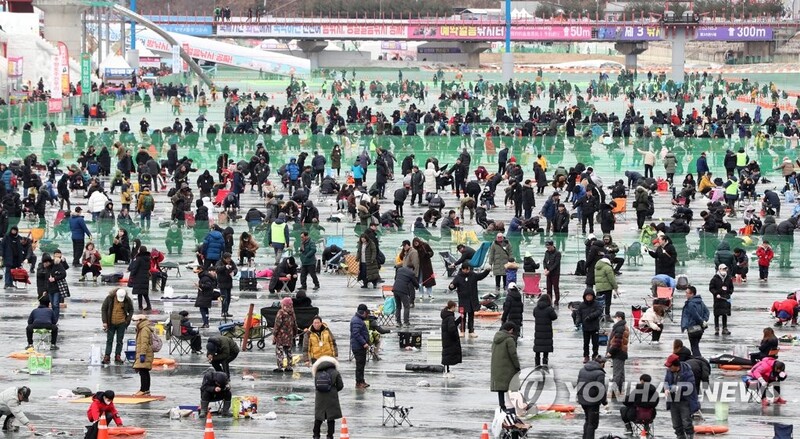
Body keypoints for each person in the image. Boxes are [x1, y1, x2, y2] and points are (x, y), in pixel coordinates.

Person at [448, 264, 492, 337]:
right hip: (463, 300)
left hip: (472, 299)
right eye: (465, 269)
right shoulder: (458, 277)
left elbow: (481, 276)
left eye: (468, 269)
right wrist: (451, 286)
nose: (467, 271)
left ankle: (471, 331)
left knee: (471, 316)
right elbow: (452, 285)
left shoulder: (473, 275)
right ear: (462, 269)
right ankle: (462, 331)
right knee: (463, 316)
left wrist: (487, 271)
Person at [663, 354, 699, 439]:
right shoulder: (669, 371)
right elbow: (666, 381)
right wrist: (666, 388)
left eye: (670, 366)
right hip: (673, 400)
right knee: (676, 424)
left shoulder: (687, 372)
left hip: (685, 400)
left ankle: (690, 436)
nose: (669, 368)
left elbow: (690, 385)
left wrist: (676, 387)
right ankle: (680, 436)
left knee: (686, 422)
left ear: (676, 365)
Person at [312, 356, 344, 439]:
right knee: (331, 417)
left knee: (318, 417)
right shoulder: (335, 372)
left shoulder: (317, 372)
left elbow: (316, 385)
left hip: (320, 397)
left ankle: (316, 435)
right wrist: (334, 390)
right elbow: (340, 385)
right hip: (331, 397)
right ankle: (330, 435)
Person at [490, 322, 520, 410]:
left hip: (497, 367)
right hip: (508, 367)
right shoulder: (509, 340)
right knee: (512, 387)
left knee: (501, 388)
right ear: (510, 330)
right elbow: (513, 354)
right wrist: (517, 366)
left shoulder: (496, 338)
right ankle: (513, 406)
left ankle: (502, 406)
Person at [576, 355, 608, 439]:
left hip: (582, 399)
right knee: (592, 423)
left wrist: (579, 397)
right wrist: (604, 402)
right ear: (601, 363)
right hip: (593, 401)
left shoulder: (582, 370)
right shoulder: (600, 373)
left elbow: (579, 384)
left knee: (587, 420)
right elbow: (601, 389)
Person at [101, 288, 134, 365]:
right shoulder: (109, 298)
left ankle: (117, 355)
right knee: (109, 340)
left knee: (119, 340)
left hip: (122, 323)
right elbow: (104, 309)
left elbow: (131, 310)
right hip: (111, 323)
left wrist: (127, 321)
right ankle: (107, 356)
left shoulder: (127, 299)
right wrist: (105, 322)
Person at [680, 286, 709, 357]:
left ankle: (699, 361)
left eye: (687, 293)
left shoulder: (690, 304)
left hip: (692, 328)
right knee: (696, 346)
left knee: (694, 348)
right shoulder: (700, 302)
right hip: (700, 329)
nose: (685, 294)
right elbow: (707, 312)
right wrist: (704, 320)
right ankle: (698, 360)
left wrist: (701, 321)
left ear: (692, 294)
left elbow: (695, 315)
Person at [606, 311, 629, 396]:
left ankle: (614, 392)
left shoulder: (619, 328)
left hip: (618, 353)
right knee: (621, 373)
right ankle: (620, 390)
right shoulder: (623, 326)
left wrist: (610, 352)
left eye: (616, 317)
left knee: (617, 374)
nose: (615, 319)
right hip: (622, 352)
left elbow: (617, 343)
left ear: (619, 318)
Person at [577, 289, 603, 363]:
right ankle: (586, 356)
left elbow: (599, 311)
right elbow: (579, 313)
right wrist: (578, 321)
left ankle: (595, 355)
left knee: (595, 342)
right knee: (586, 343)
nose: (588, 297)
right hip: (585, 327)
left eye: (590, 296)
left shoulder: (596, 304)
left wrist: (591, 316)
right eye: (587, 296)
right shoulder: (582, 305)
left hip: (594, 326)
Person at [532, 293, 557, 367]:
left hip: (538, 331)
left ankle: (537, 362)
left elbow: (534, 315)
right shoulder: (549, 309)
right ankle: (545, 362)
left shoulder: (536, 309)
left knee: (538, 347)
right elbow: (554, 317)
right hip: (547, 331)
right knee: (546, 347)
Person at [273, 297, 297, 373]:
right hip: (289, 336)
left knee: (279, 351)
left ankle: (280, 367)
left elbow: (277, 324)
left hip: (280, 336)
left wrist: (274, 334)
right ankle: (289, 366)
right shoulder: (292, 313)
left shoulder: (281, 312)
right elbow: (295, 324)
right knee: (288, 351)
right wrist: (295, 333)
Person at [708, 263, 733, 336]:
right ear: (719, 269)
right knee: (717, 314)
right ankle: (717, 328)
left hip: (725, 298)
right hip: (717, 299)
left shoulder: (728, 278)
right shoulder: (715, 278)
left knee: (725, 313)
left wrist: (729, 293)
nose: (725, 270)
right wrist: (716, 294)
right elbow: (711, 288)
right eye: (723, 269)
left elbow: (731, 287)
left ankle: (725, 328)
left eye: (726, 269)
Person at [350, 304, 370, 389]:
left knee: (361, 364)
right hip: (358, 347)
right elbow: (356, 334)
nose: (367, 315)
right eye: (366, 313)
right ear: (363, 312)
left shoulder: (358, 320)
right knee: (360, 365)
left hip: (359, 346)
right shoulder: (357, 321)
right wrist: (364, 343)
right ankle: (359, 382)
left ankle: (361, 381)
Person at [132, 314, 153, 396]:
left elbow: (144, 343)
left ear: (140, 320)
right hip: (144, 352)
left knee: (143, 371)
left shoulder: (144, 329)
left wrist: (142, 354)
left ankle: (144, 389)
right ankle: (145, 389)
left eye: (135, 321)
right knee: (144, 371)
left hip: (144, 352)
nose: (134, 322)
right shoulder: (142, 328)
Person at [440, 300, 462, 378]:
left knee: (447, 354)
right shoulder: (450, 317)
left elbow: (452, 325)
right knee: (447, 355)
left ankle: (447, 370)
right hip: (449, 339)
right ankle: (446, 371)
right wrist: (455, 337)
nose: (456, 308)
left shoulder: (447, 315)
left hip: (446, 339)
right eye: (455, 307)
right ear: (452, 307)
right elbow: (451, 329)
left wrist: (459, 320)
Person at [593, 256, 618, 320]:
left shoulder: (597, 266)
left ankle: (600, 315)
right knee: (607, 303)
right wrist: (615, 287)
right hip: (607, 288)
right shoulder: (607, 267)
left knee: (599, 302)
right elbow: (611, 279)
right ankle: (607, 315)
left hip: (599, 287)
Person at [128, 246, 152, 311]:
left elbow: (135, 268)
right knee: (145, 293)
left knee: (139, 293)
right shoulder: (148, 258)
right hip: (145, 277)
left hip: (139, 277)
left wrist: (132, 275)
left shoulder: (139, 258)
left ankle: (140, 306)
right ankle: (148, 305)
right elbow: (149, 267)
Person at [214, 253, 237, 318]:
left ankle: (226, 311)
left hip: (229, 282)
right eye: (228, 259)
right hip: (222, 282)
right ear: (224, 258)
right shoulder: (219, 262)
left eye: (230, 258)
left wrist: (234, 272)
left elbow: (235, 269)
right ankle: (223, 311)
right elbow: (217, 269)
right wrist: (224, 267)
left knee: (228, 298)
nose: (229, 260)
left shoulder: (231, 262)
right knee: (224, 298)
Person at [543, 240, 562, 305]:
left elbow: (556, 264)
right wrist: (545, 268)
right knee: (548, 288)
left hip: (555, 273)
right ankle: (549, 300)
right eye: (547, 247)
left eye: (549, 247)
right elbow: (544, 261)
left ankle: (557, 300)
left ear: (552, 246)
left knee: (556, 287)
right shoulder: (546, 252)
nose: (548, 248)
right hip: (548, 273)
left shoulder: (557, 253)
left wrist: (549, 270)